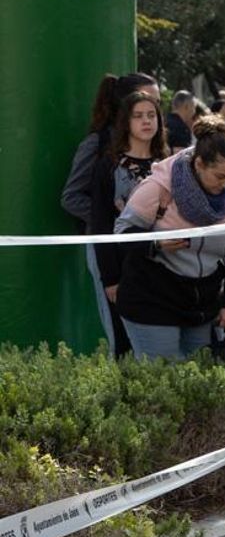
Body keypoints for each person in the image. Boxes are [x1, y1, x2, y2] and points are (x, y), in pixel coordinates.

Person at [113, 117, 225, 361]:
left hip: (201, 305)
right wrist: (156, 243)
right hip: (152, 299)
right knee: (163, 379)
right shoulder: (158, 186)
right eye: (220, 176)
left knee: (197, 379)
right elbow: (121, 232)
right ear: (199, 164)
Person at [63, 72, 162, 350]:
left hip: (153, 249)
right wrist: (116, 219)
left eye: (155, 105)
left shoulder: (161, 154)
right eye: (143, 103)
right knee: (121, 332)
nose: (150, 112)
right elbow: (71, 197)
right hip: (110, 249)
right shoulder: (97, 145)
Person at [90, 91, 170, 357]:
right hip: (124, 267)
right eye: (138, 116)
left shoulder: (168, 164)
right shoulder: (108, 166)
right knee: (125, 343)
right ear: (126, 122)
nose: (146, 122)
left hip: (165, 266)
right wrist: (111, 278)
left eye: (151, 115)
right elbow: (101, 224)